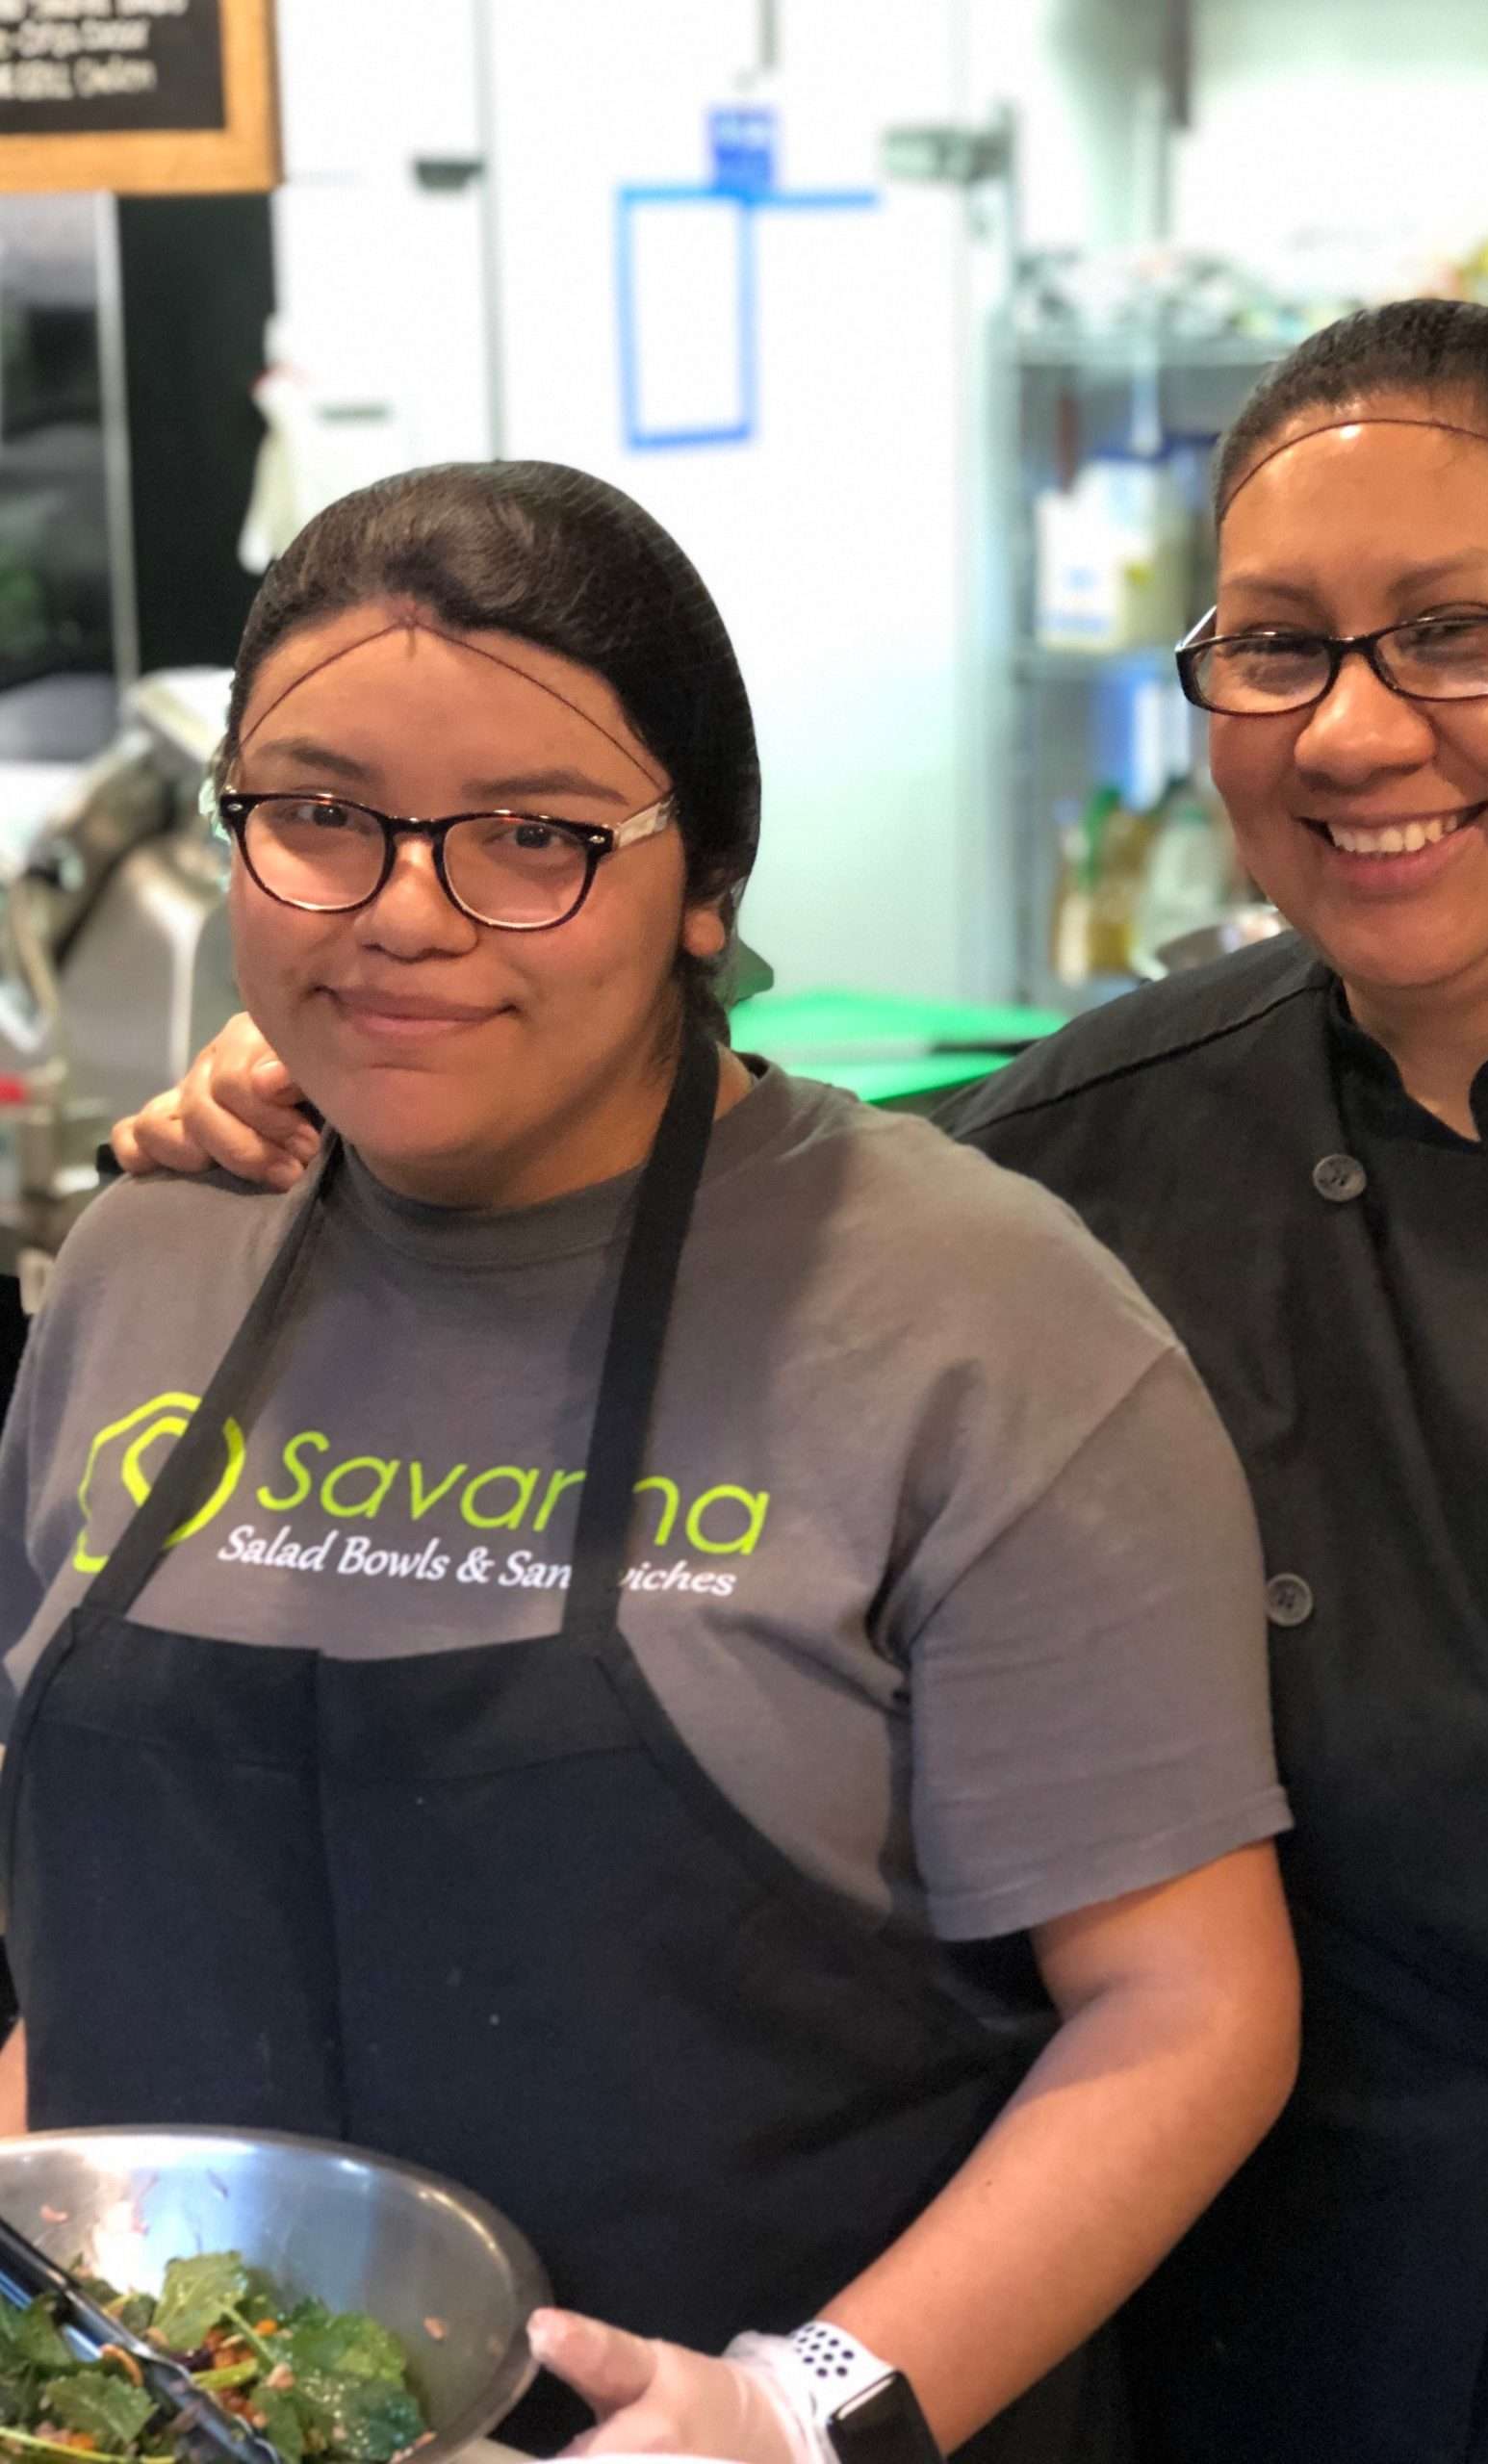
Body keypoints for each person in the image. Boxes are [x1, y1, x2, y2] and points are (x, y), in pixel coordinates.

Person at [137, 302, 1488, 2464]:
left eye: (1460, 634)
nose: (1355, 729)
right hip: (1229, 2348)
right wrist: (361, 1044)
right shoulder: (1057, 1172)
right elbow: (647, 1121)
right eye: (1276, 645)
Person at [0, 461, 1301, 2464]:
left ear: (706, 882)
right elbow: (84, 1944)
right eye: (320, 819)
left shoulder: (980, 1322)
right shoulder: (148, 1255)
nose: (405, 913)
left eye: (534, 837)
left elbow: (1187, 2010)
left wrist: (803, 2409)